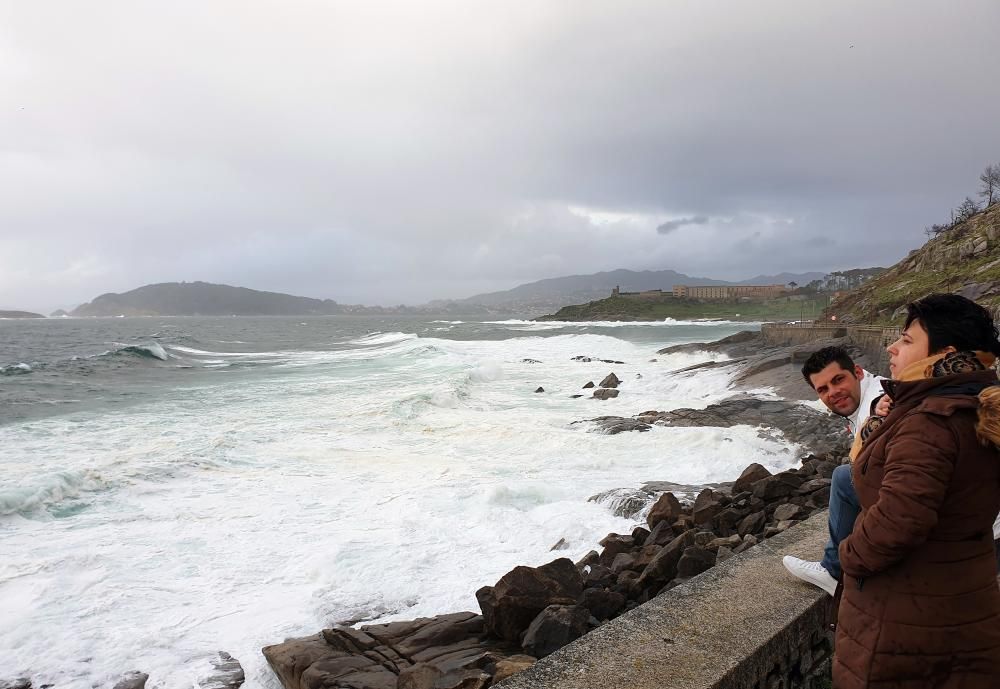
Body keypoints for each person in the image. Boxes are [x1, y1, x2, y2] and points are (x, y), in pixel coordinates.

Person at [834, 294, 1000, 688]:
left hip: (906, 624)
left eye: (907, 340)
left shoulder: (931, 423)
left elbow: (898, 522)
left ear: (945, 353)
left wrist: (848, 556)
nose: (892, 347)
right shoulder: (974, 406)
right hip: (961, 600)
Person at [782, 346, 886, 596]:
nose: (833, 393)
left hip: (959, 533)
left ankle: (831, 569)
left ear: (858, 373)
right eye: (823, 389)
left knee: (843, 476)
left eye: (838, 380)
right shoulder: (869, 394)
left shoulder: (880, 401)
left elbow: (882, 408)